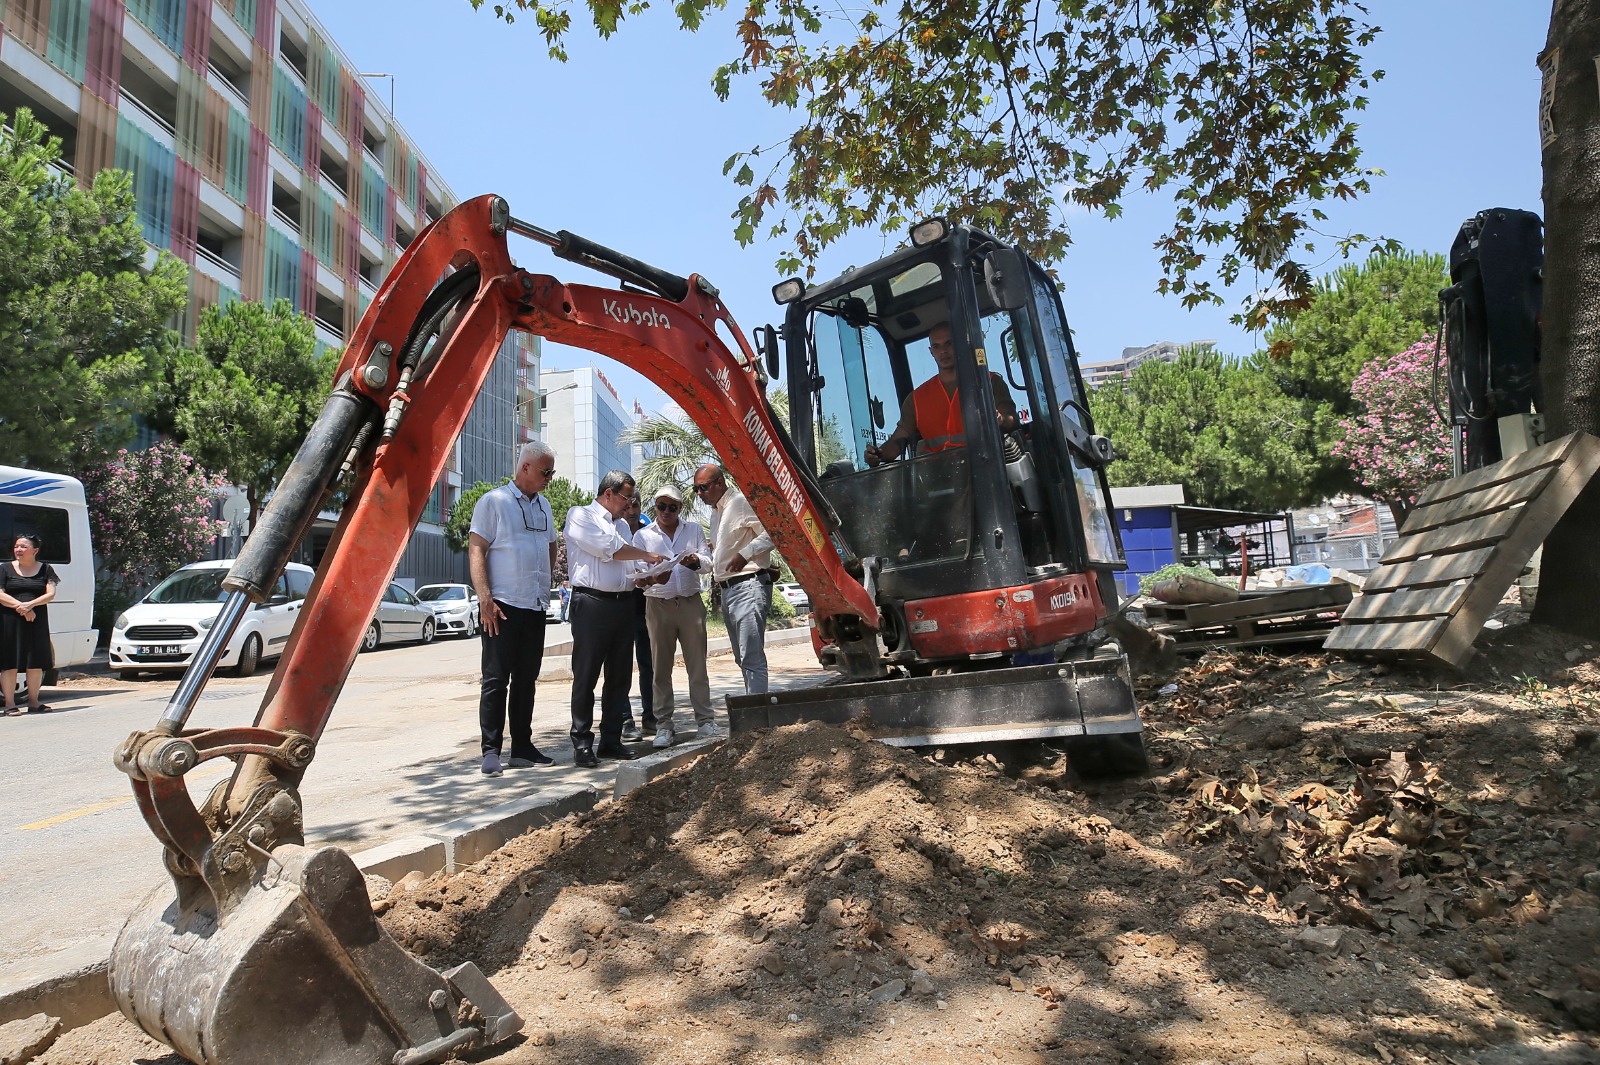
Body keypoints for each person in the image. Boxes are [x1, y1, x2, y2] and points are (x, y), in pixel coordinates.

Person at [468, 442, 560, 776]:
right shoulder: (494, 501)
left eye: (552, 472)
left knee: (526, 679)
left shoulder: (545, 505)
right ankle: (490, 750)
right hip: (502, 606)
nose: (550, 478)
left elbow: (551, 543)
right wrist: (485, 598)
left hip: (534, 605)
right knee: (496, 680)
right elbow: (477, 548)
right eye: (545, 472)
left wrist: (545, 583)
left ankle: (522, 747)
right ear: (525, 469)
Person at [564, 471, 667, 767]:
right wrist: (649, 556)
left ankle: (611, 739)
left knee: (620, 676)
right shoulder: (580, 515)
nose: (630, 504)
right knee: (586, 675)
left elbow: (630, 567)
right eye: (626, 498)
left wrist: (650, 576)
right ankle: (582, 742)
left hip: (623, 603)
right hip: (592, 603)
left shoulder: (622, 524)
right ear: (608, 493)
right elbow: (612, 550)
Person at [864, 322, 1019, 466]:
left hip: (987, 467)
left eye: (949, 343)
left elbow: (1011, 419)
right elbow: (898, 441)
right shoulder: (916, 399)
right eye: (936, 346)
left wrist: (1000, 419)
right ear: (931, 352)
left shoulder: (989, 382)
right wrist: (878, 454)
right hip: (940, 478)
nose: (943, 351)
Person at [632, 485, 714, 748]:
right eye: (661, 506)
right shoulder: (643, 536)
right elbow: (637, 574)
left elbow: (708, 563)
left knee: (697, 666)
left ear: (680, 508)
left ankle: (705, 721)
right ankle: (664, 725)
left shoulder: (694, 530)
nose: (666, 512)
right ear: (654, 506)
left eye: (672, 507)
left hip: (690, 603)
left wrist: (695, 562)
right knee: (660, 668)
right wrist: (656, 576)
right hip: (658, 604)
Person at [692, 463, 772, 701]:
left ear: (720, 482)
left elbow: (772, 532)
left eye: (703, 487)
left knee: (751, 657)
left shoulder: (740, 503)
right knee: (741, 657)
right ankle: (754, 712)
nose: (699, 494)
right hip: (728, 590)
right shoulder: (716, 513)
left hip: (748, 584)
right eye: (695, 489)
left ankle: (757, 717)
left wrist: (746, 553)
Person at [0, 534, 60, 715]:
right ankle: (10, 704)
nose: (18, 550)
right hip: (10, 620)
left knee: (35, 662)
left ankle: (34, 702)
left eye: (23, 547)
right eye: (17, 546)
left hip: (37, 620)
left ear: (35, 550)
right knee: (9, 663)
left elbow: (50, 594)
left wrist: (31, 605)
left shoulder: (46, 569)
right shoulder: (5, 568)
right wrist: (22, 607)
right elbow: (0, 594)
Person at [619, 493, 655, 742]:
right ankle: (624, 719)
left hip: (646, 604)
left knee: (648, 664)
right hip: (620, 604)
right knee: (621, 665)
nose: (631, 510)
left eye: (636, 505)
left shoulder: (649, 532)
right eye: (627, 505)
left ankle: (650, 715)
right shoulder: (612, 531)